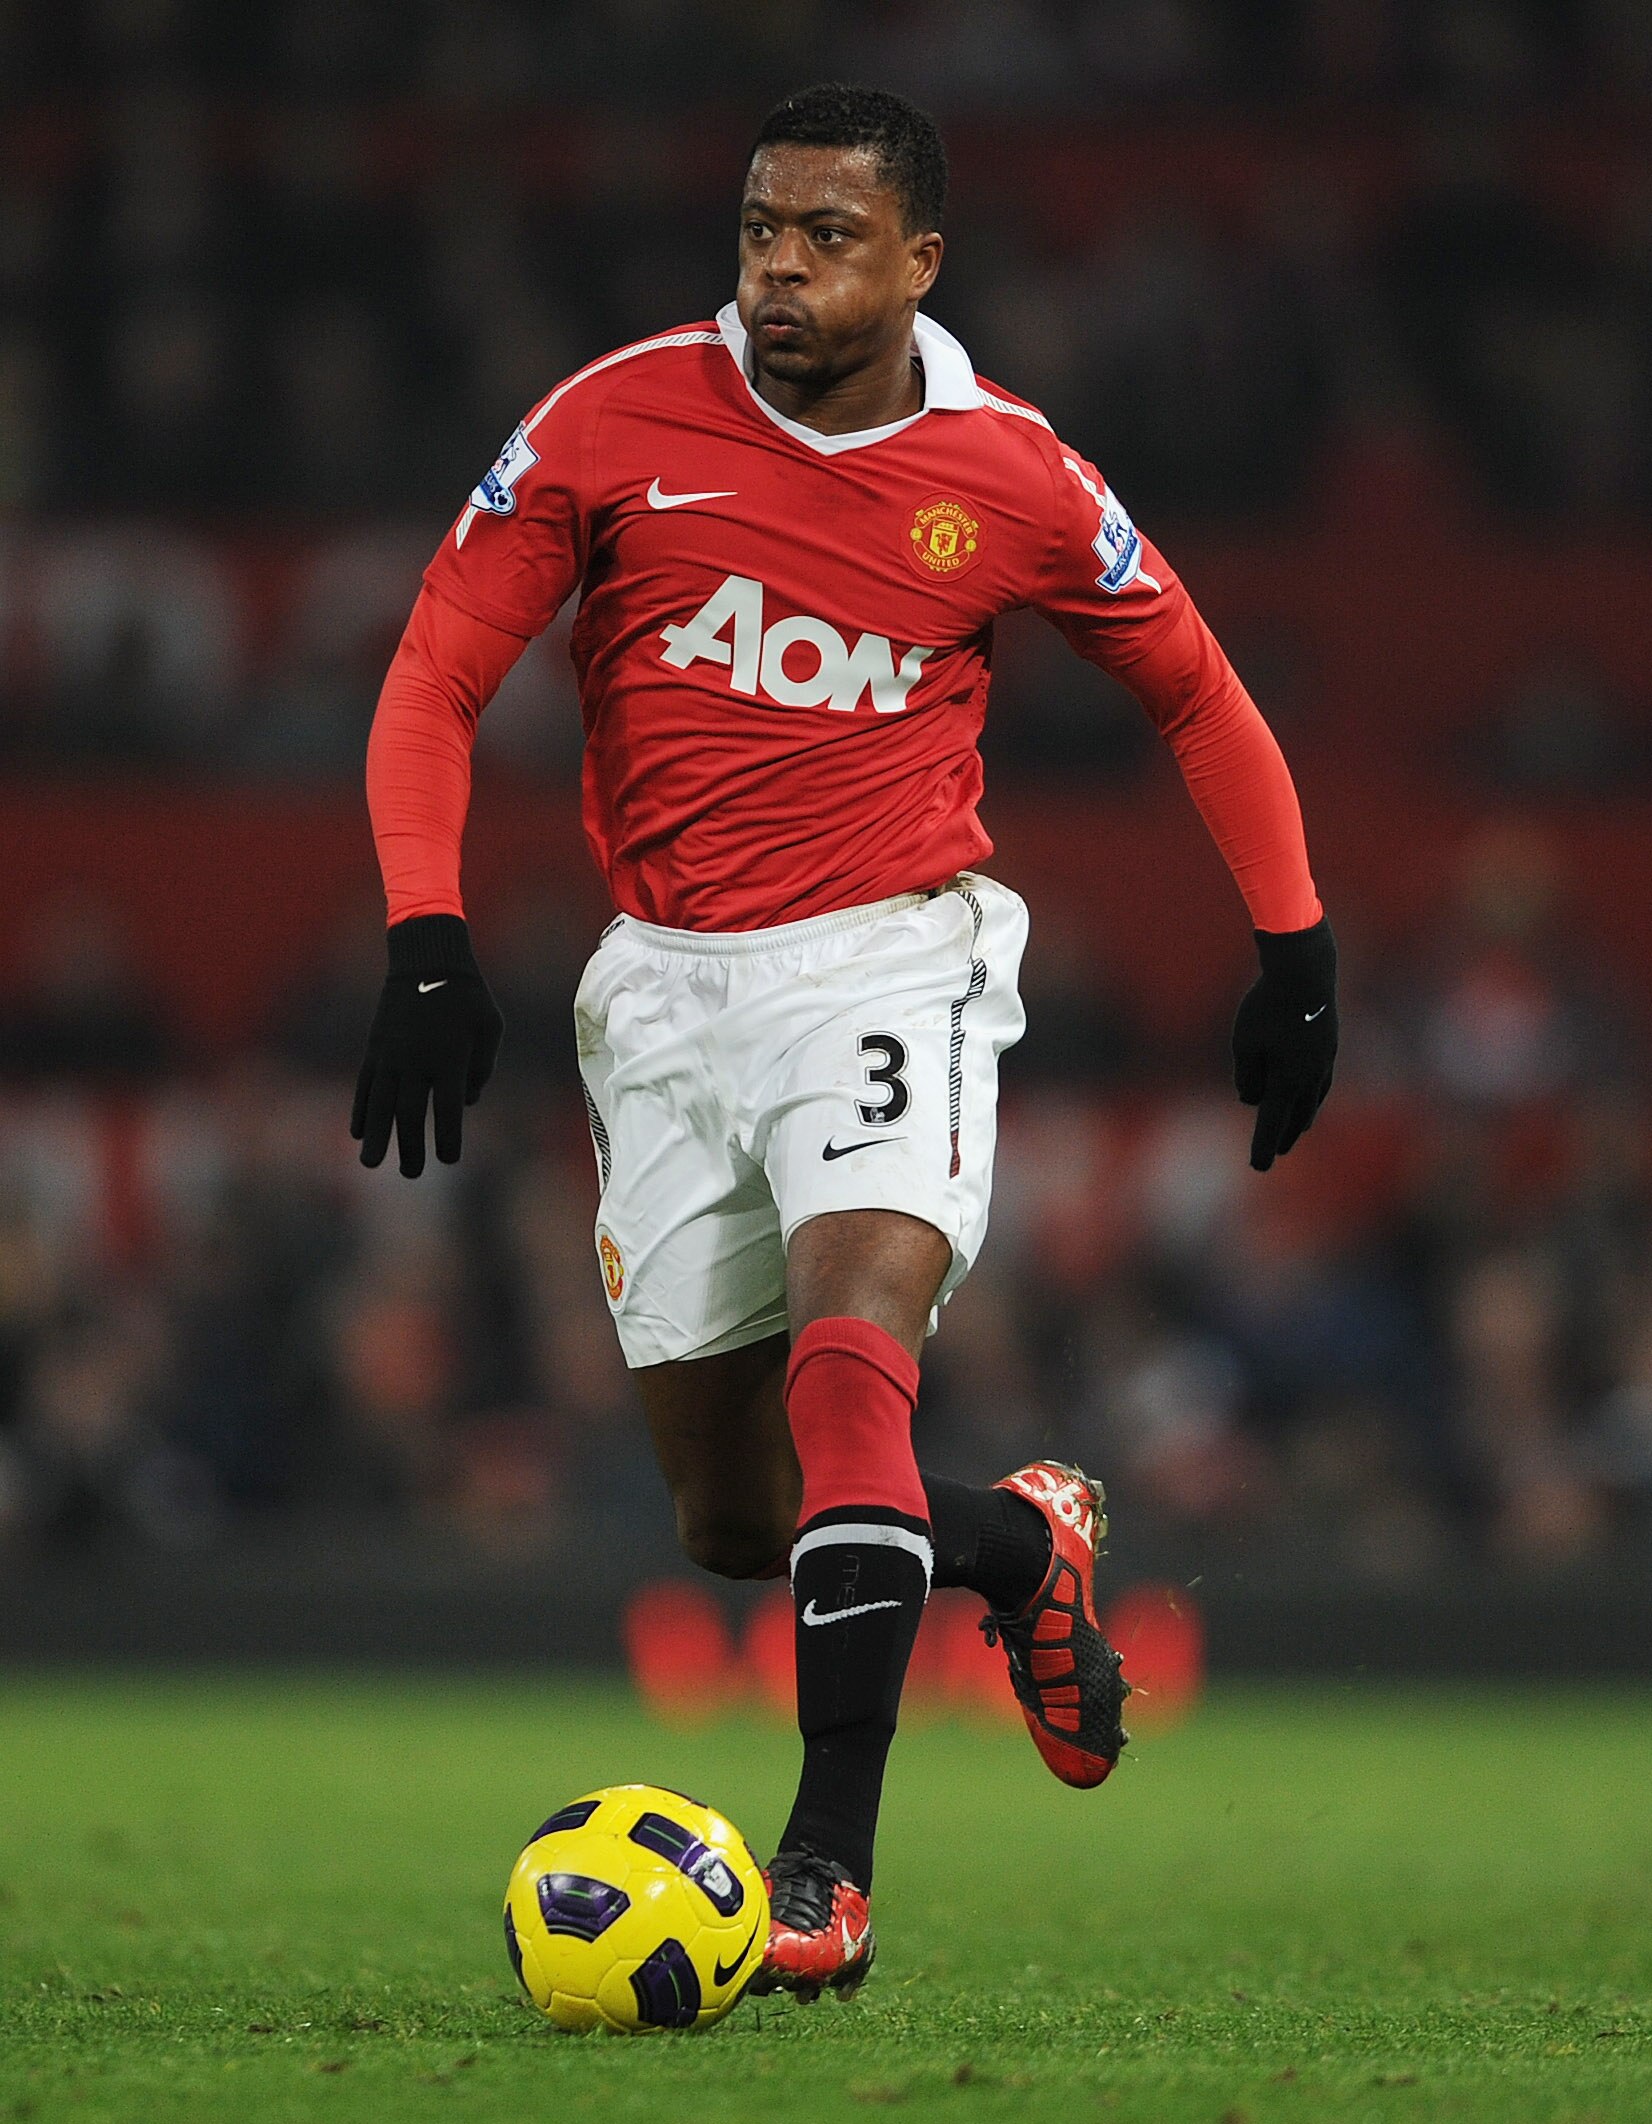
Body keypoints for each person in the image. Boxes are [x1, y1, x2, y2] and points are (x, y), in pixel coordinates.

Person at [352, 83, 1337, 1998]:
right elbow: (435, 669)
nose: (779, 271)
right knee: (735, 1519)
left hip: (894, 960)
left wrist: (1296, 950)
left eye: (824, 238)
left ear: (921, 262)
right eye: (757, 234)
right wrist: (423, 933)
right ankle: (1013, 1551)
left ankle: (826, 1870)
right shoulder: (609, 419)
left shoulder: (1015, 474)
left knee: (849, 1352)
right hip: (662, 991)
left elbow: (1201, 697)